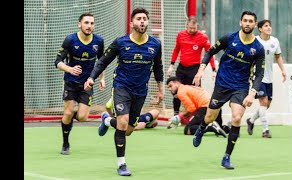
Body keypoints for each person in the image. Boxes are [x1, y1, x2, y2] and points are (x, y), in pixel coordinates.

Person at [84, 7, 164, 176]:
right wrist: (92, 77)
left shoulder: (155, 44)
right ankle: (122, 164)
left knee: (128, 130)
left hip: (140, 91)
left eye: (144, 19)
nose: (142, 21)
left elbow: (158, 67)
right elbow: (103, 61)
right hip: (121, 86)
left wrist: (160, 90)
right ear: (132, 23)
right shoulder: (121, 42)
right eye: (138, 19)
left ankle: (106, 121)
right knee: (122, 121)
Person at [192, 11, 265, 169]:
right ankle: (202, 128)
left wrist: (252, 93)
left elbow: (259, 73)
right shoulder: (229, 38)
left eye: (250, 21)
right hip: (222, 84)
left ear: (254, 24)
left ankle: (227, 156)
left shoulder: (258, 48)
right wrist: (200, 71)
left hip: (241, 87)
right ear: (240, 22)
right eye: (245, 20)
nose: (247, 23)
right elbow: (210, 51)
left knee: (237, 118)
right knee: (210, 117)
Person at [54, 13, 105, 155]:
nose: (89, 26)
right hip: (70, 82)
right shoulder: (70, 40)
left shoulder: (98, 41)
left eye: (92, 23)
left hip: (87, 83)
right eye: (86, 23)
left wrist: (102, 78)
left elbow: (101, 62)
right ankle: (65, 143)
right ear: (79, 24)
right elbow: (57, 62)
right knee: (68, 111)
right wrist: (70, 69)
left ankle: (67, 119)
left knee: (83, 117)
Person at [166, 16, 217, 116]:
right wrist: (171, 65)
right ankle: (176, 115)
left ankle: (196, 116)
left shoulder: (203, 37)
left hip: (194, 69)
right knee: (176, 91)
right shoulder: (180, 35)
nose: (192, 30)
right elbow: (176, 50)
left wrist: (214, 69)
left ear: (197, 26)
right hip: (182, 67)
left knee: (195, 93)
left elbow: (209, 54)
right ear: (187, 26)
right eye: (190, 28)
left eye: (194, 28)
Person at [246, 19, 287, 138]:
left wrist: (283, 70)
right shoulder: (255, 41)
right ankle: (265, 130)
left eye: (270, 26)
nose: (269, 28)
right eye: (266, 26)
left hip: (269, 77)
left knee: (266, 105)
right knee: (263, 102)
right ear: (260, 29)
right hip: (257, 76)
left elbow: (278, 57)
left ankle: (251, 120)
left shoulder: (275, 41)